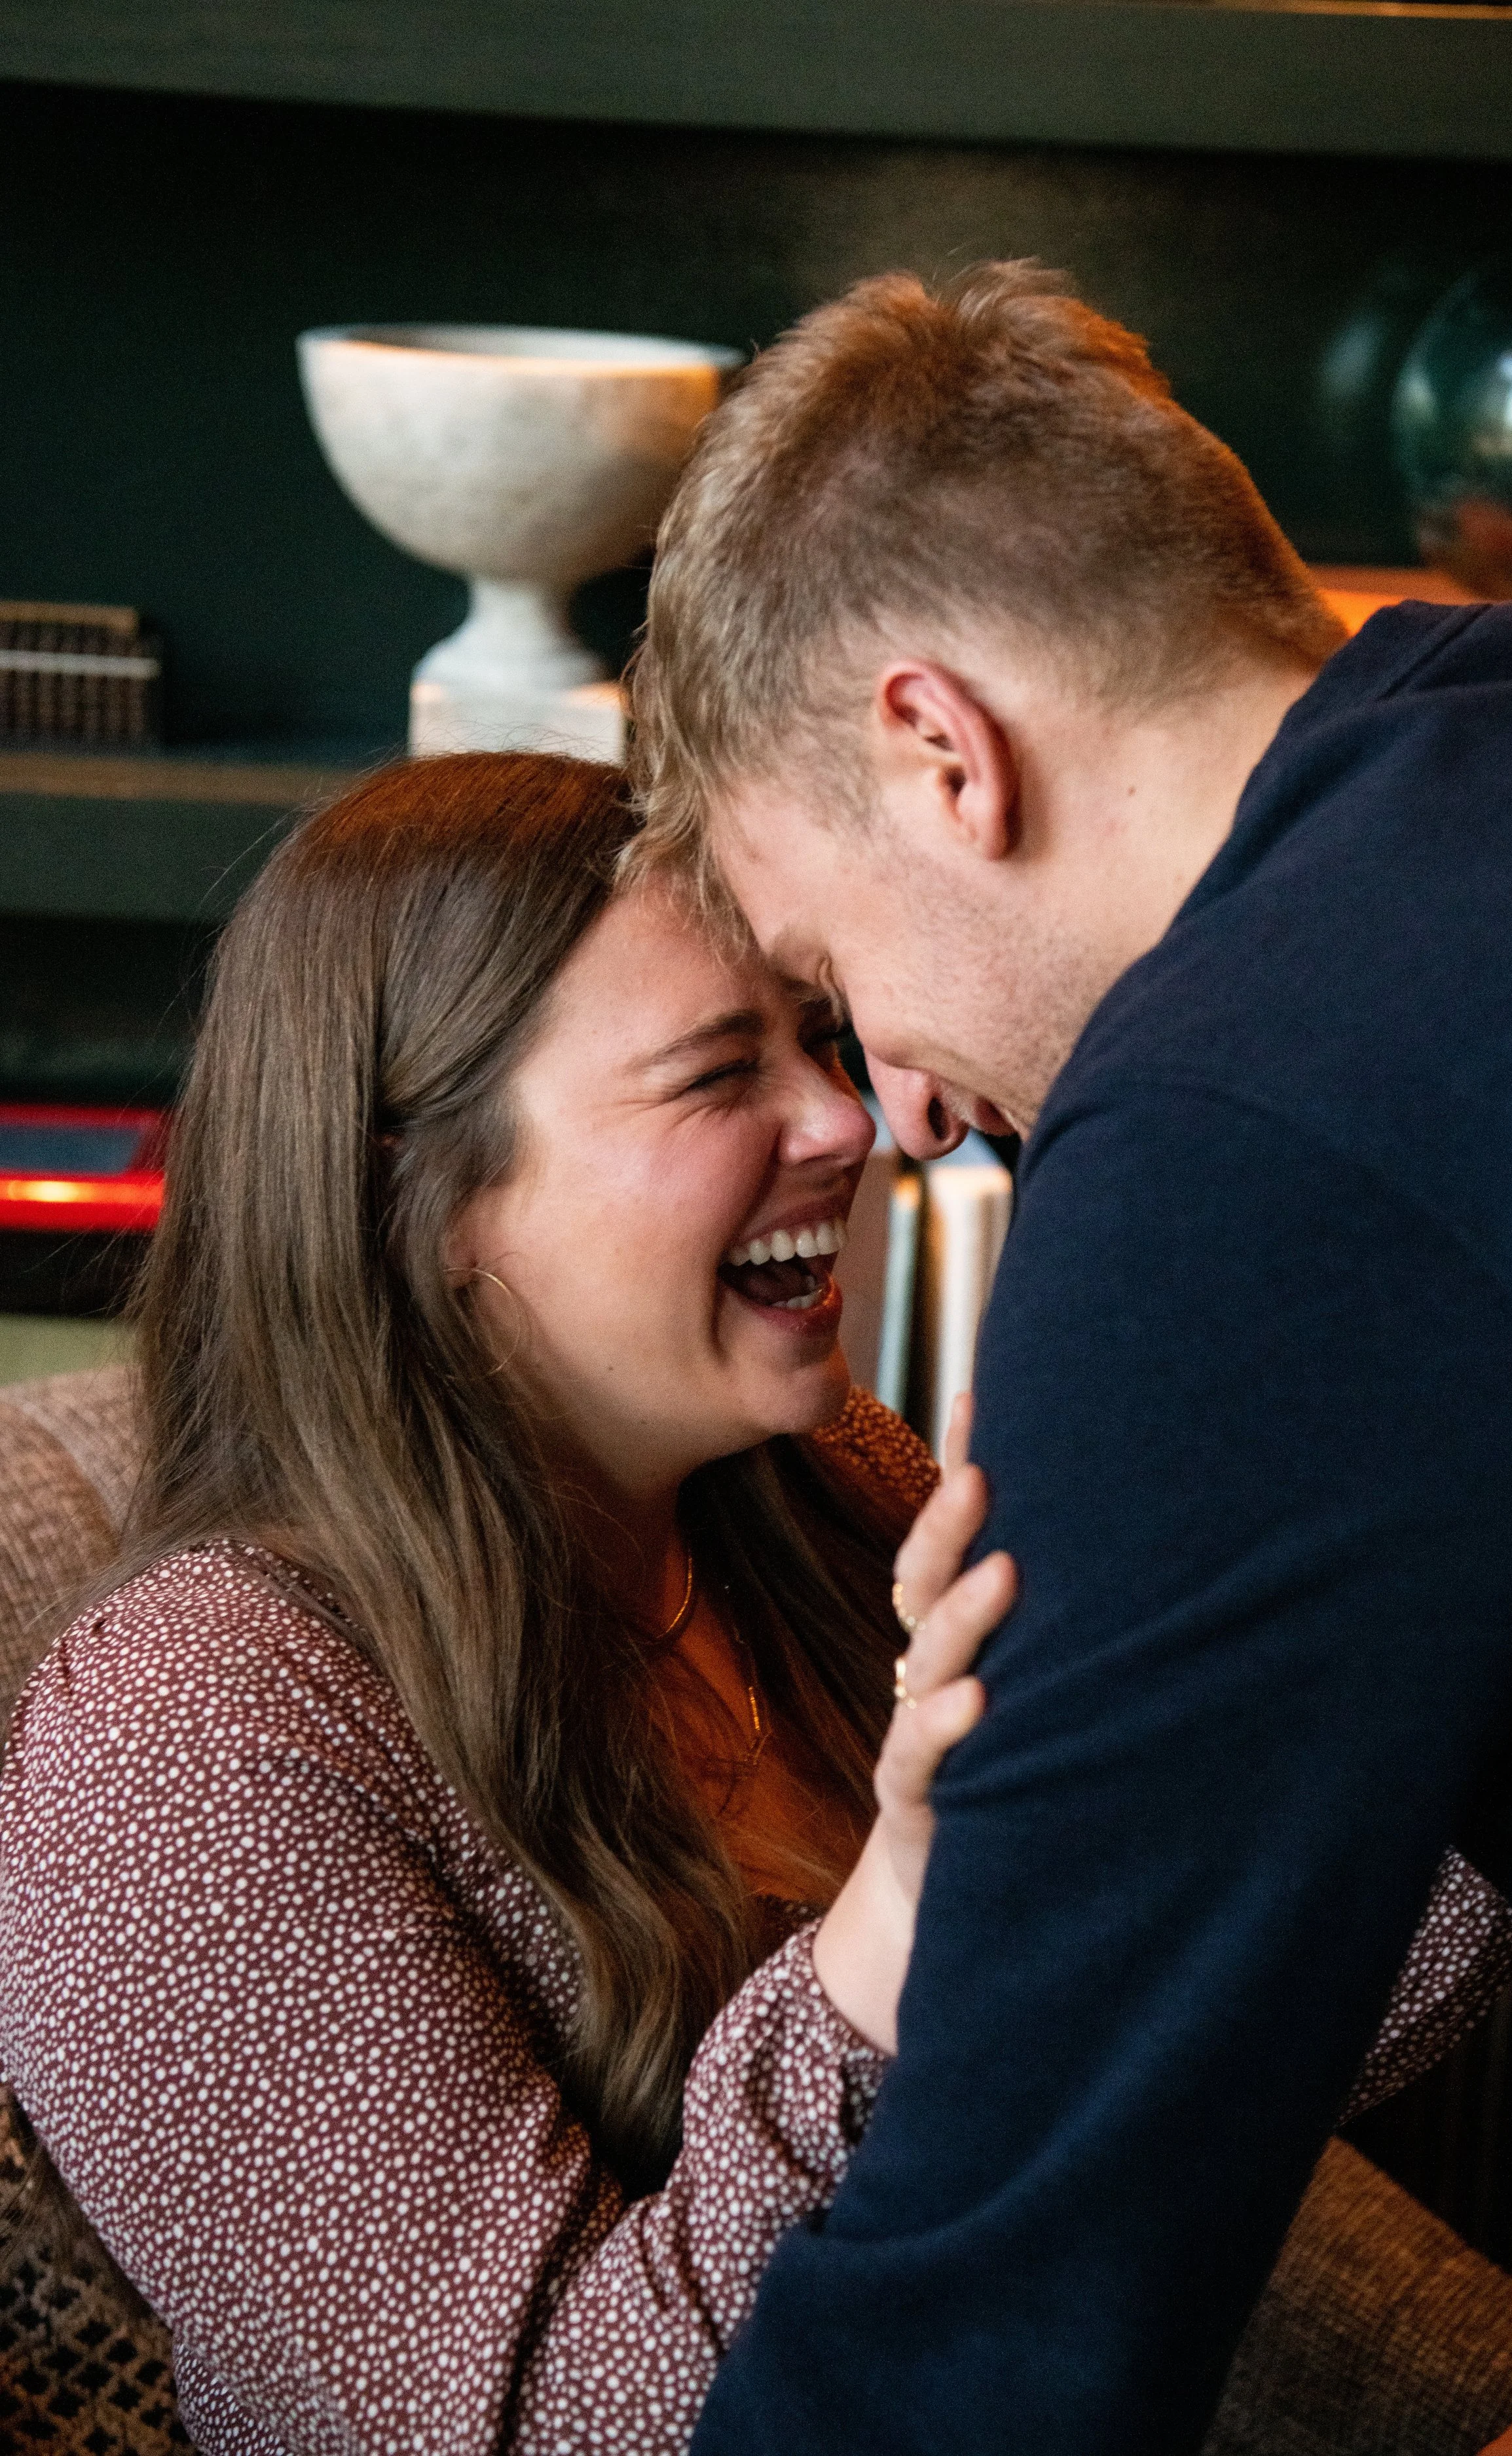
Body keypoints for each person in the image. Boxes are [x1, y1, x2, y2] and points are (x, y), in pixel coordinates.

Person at [628, 262, 1512, 2455]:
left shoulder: (1225, 1140)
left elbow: (1007, 2304)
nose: (895, 1113)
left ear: (936, 747)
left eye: (830, 976)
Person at [0, 753, 1006, 2454]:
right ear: (437, 1201)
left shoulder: (810, 1476)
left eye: (816, 1036)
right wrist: (899, 1926)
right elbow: (523, 2430)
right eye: (716, 1074)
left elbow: (1161, 2036)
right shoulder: (187, 1740)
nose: (847, 1120)